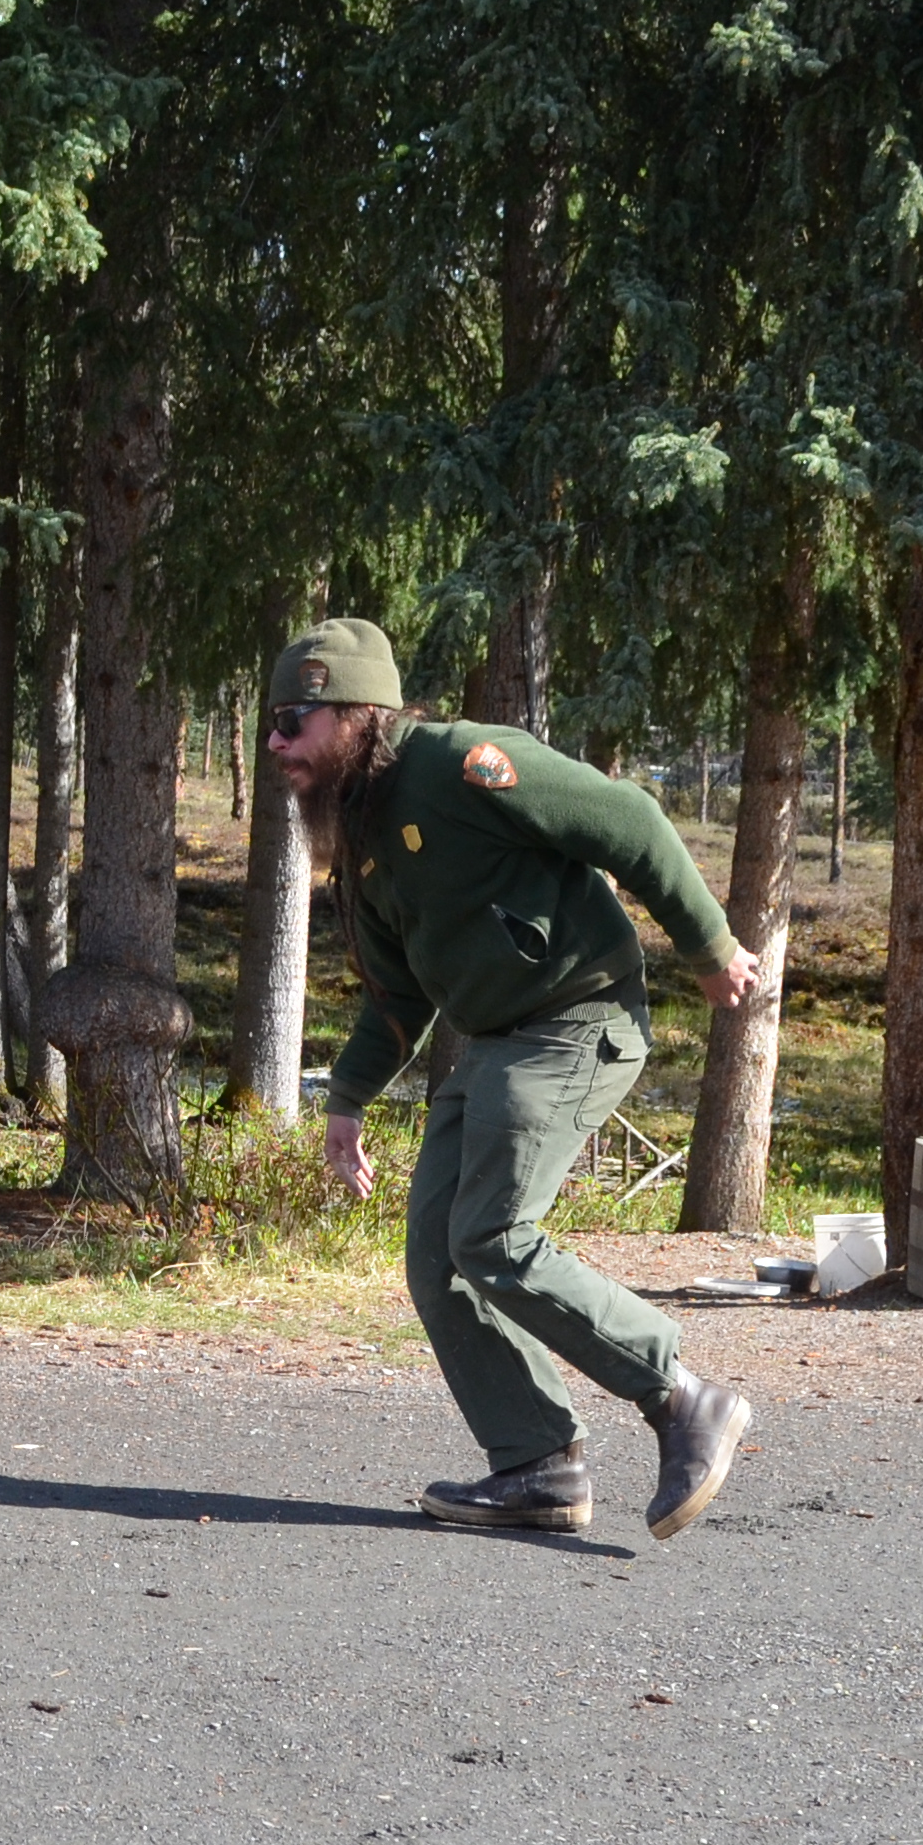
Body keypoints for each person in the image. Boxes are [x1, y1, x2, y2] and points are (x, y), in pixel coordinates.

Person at [273, 617, 765, 1540]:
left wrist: (707, 947)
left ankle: (683, 1397)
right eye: (270, 722)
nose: (275, 741)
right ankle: (539, 1466)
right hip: (494, 1041)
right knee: (437, 1259)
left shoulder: (465, 764)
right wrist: (345, 1102)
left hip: (576, 1019)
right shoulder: (364, 829)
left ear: (355, 712)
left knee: (492, 1234)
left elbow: (630, 821)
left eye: (295, 718)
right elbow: (396, 992)